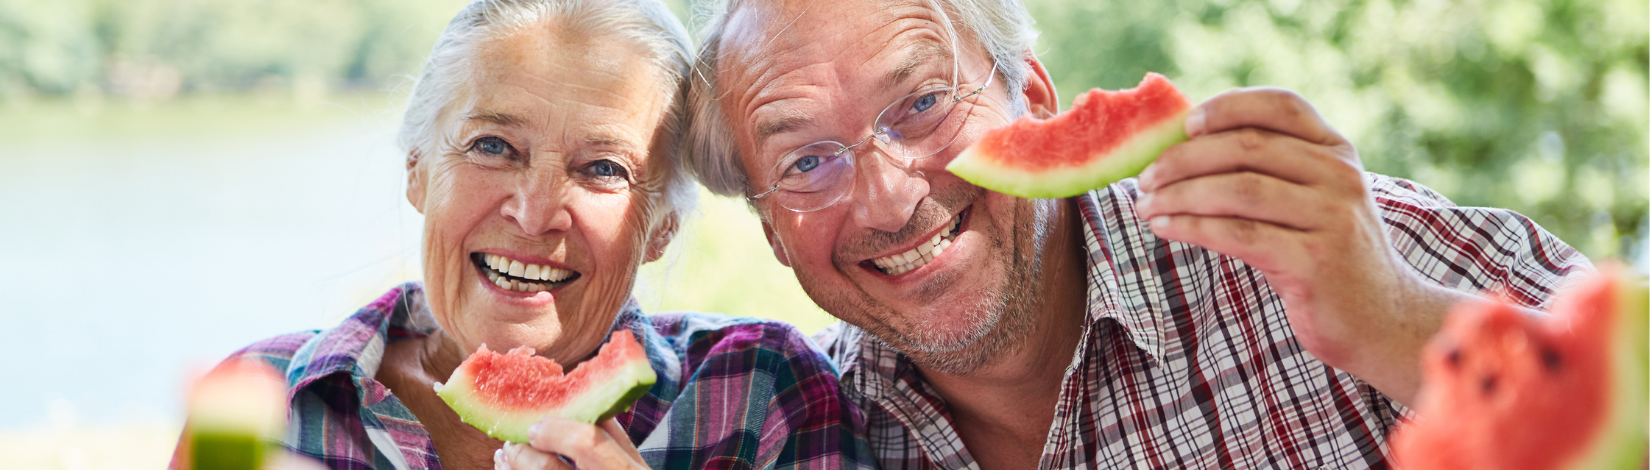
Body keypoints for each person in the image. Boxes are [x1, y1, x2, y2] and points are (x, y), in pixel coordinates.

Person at [679, 0, 1591, 467]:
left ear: (1033, 99)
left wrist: (1395, 322)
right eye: (805, 162)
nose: (884, 199)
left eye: (921, 103)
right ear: (768, 227)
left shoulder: (1311, 247)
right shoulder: (799, 430)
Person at [171, 0, 871, 469]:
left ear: (661, 228)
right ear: (417, 172)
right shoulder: (261, 399)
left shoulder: (756, 393)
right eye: (492, 146)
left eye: (602, 167)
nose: (537, 214)